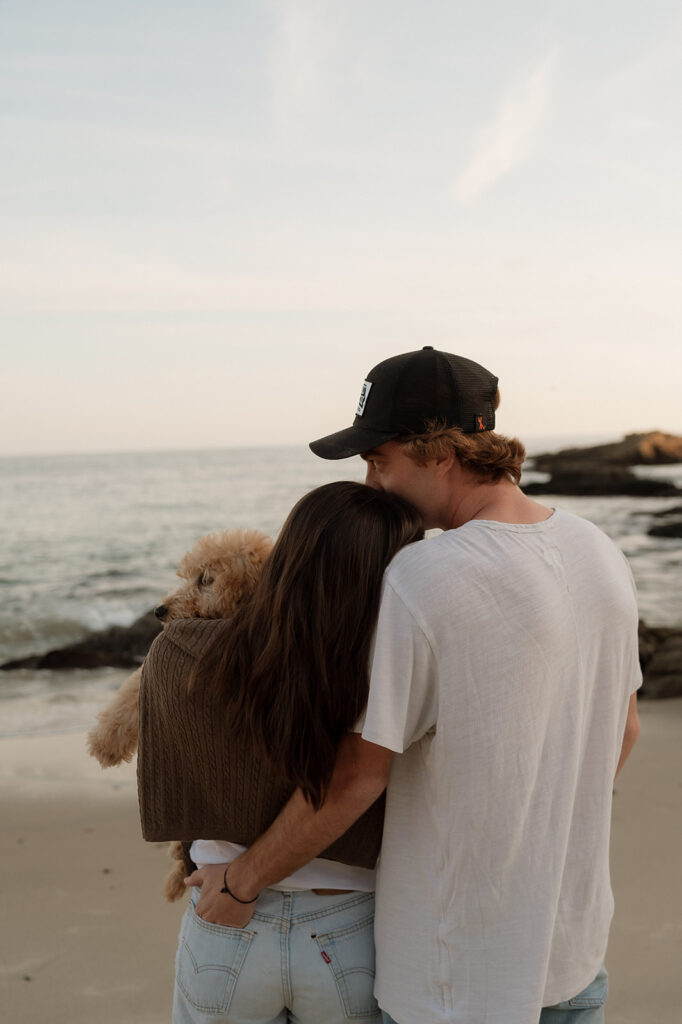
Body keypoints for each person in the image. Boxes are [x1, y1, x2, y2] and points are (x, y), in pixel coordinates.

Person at [187, 347, 642, 1024]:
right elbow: (623, 729)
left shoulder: (427, 576)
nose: (370, 483)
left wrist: (240, 881)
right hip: (572, 957)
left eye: (378, 458)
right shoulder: (598, 551)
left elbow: (356, 779)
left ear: (439, 451)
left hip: (457, 979)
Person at [136, 480, 424, 1024]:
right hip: (353, 920)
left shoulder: (178, 653)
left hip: (224, 909)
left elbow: (171, 770)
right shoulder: (390, 659)